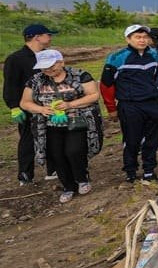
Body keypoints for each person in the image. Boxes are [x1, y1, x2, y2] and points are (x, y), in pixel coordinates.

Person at [19, 50, 102, 203]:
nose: (48, 70)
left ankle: (81, 178)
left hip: (76, 121)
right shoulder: (36, 80)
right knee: (57, 155)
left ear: (61, 62)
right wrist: (41, 109)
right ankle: (68, 186)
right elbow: (25, 102)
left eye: (52, 66)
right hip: (50, 125)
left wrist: (70, 104)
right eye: (44, 67)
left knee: (74, 151)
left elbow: (94, 95)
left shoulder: (79, 75)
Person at [101, 24, 158, 185]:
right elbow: (106, 85)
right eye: (137, 37)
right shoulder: (117, 57)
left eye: (145, 37)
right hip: (130, 105)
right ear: (128, 39)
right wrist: (111, 108)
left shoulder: (153, 55)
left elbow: (153, 77)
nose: (142, 40)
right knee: (131, 140)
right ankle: (130, 172)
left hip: (151, 103)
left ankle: (149, 170)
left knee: (152, 139)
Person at [5, 23, 57, 185]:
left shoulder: (48, 55)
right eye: (48, 35)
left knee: (53, 136)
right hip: (28, 106)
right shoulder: (16, 59)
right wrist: (14, 106)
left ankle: (53, 169)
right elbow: (11, 85)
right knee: (28, 139)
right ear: (37, 37)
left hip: (49, 104)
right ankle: (25, 174)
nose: (50, 38)